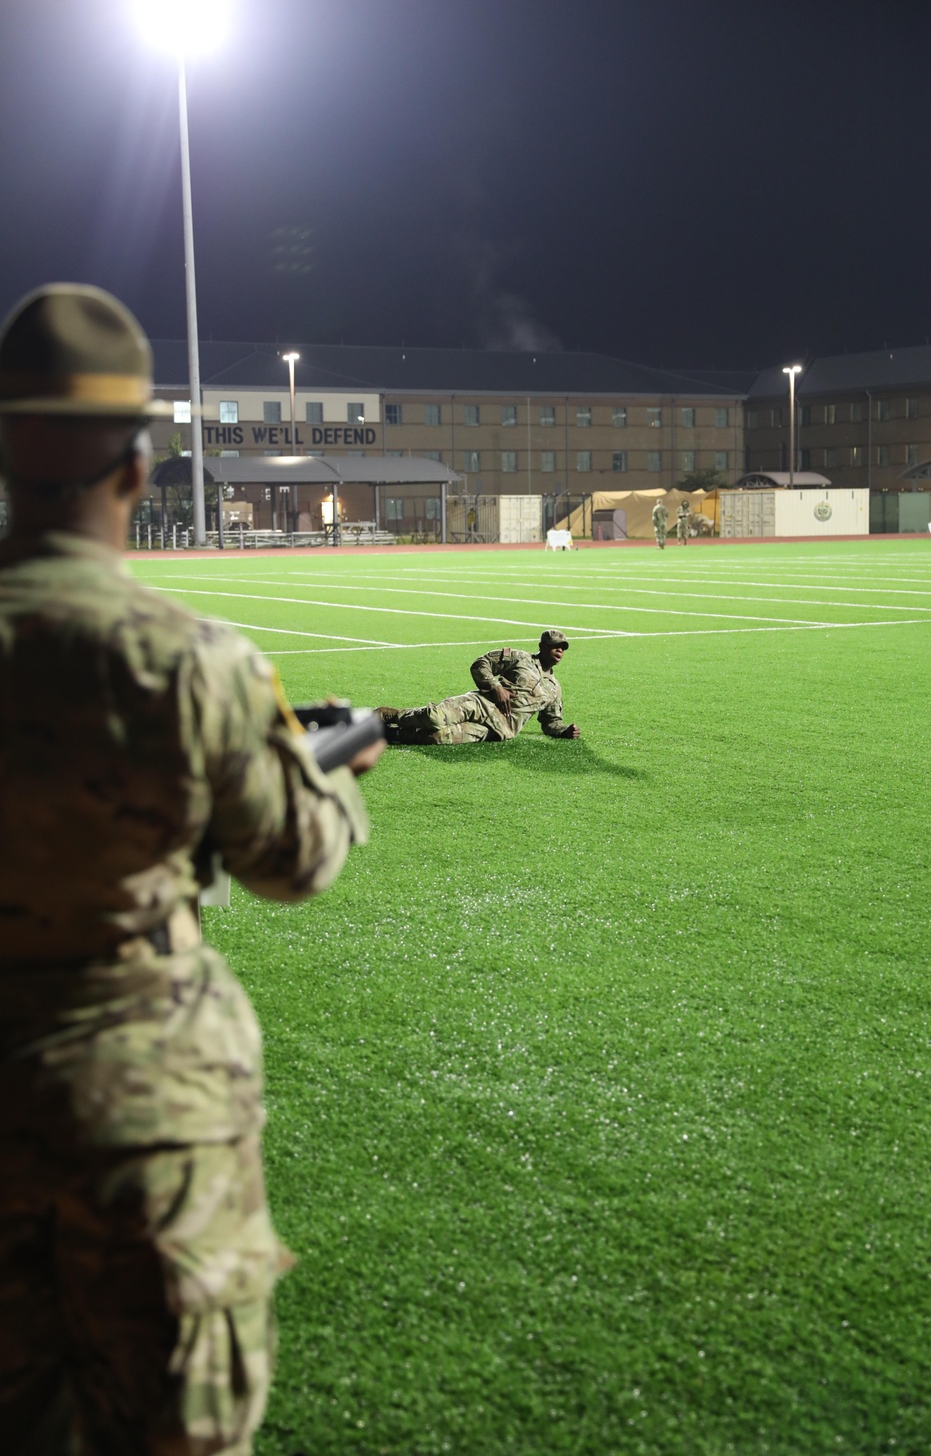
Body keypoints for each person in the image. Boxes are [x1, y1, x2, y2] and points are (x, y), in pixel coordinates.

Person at [0, 284, 383, 1455]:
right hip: (146, 1114)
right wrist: (329, 781)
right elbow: (290, 862)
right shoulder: (191, 662)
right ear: (138, 464)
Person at [378, 629, 581, 744]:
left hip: (499, 729)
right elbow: (481, 663)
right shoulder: (519, 658)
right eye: (555, 646)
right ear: (542, 646)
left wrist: (564, 731)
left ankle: (391, 734)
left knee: (438, 737)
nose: (559, 651)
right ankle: (389, 715)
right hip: (481, 703)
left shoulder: (554, 688)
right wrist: (495, 686)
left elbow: (551, 722)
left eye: (562, 648)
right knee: (434, 717)